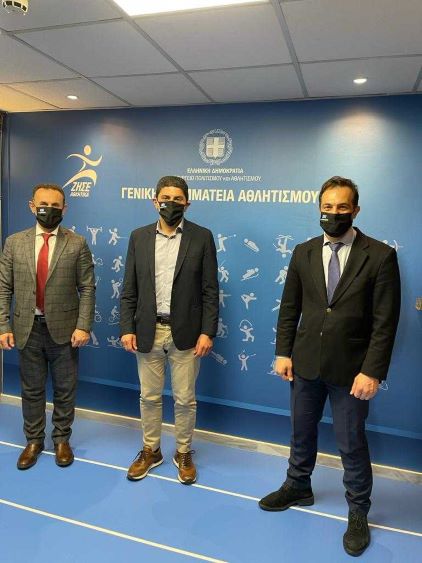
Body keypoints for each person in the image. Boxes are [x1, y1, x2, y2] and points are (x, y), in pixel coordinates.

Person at [259, 176, 401, 557]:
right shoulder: (303, 252)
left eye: (341, 207)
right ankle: (297, 486)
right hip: (305, 362)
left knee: (351, 444)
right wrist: (283, 352)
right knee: (300, 432)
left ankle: (358, 511)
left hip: (352, 372)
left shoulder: (380, 256)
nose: (333, 213)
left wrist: (372, 371)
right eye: (327, 207)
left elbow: (385, 322)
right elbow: (290, 307)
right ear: (319, 209)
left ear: (355, 210)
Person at [120, 176, 218, 484]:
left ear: (187, 203)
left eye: (177, 199)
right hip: (148, 330)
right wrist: (127, 327)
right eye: (165, 198)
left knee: (185, 399)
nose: (171, 204)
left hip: (186, 334)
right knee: (149, 397)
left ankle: (183, 452)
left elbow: (210, 290)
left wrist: (207, 332)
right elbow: (129, 288)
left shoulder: (202, 237)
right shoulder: (138, 237)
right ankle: (151, 450)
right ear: (155, 201)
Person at [0, 184, 95, 470]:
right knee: (31, 389)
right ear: (32, 206)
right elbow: (4, 287)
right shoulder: (14, 243)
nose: (49, 210)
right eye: (43, 204)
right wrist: (3, 325)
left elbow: (87, 288)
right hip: (26, 328)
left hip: (65, 331)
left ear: (64, 209)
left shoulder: (77, 243)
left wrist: (83, 325)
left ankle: (62, 439)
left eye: (55, 206)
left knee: (65, 388)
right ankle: (34, 441)